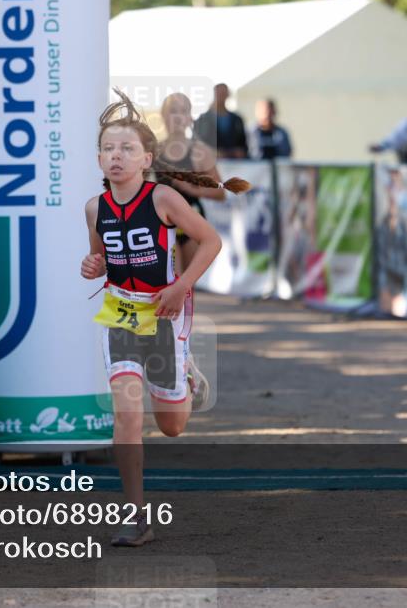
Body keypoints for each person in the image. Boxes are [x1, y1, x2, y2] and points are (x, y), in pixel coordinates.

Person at [80, 89, 249, 547]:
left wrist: (180, 287)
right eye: (109, 150)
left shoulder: (164, 200)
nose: (117, 157)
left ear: (146, 158)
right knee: (127, 416)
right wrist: (92, 265)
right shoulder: (95, 209)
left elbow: (210, 242)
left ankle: (185, 378)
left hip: (165, 313)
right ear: (99, 160)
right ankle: (136, 518)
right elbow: (100, 259)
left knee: (171, 424)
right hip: (119, 316)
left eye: (127, 149)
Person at [156, 92, 225, 272]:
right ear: (163, 115)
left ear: (189, 118)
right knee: (171, 280)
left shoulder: (200, 151)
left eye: (183, 111)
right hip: (162, 222)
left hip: (190, 221)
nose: (178, 117)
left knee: (186, 286)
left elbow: (221, 191)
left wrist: (193, 190)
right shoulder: (153, 151)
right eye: (173, 111)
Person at [193, 83, 248, 159]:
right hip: (210, 163)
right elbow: (197, 143)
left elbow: (243, 144)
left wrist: (239, 151)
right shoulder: (203, 119)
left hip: (234, 164)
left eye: (223, 93)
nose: (221, 96)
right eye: (219, 93)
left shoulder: (237, 120)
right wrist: (213, 152)